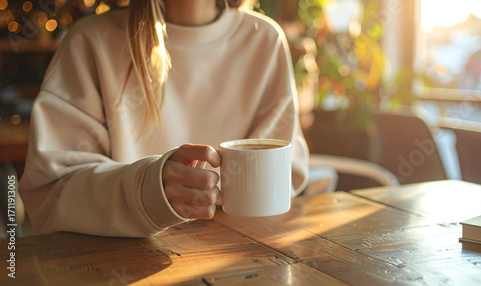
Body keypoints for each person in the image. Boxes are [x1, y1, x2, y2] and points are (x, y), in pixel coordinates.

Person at [19, 0, 309, 237]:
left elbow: (286, 174)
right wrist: (146, 192)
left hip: (248, 256)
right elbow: (50, 193)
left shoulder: (265, 41)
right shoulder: (91, 42)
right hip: (121, 264)